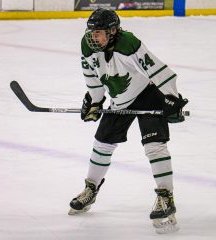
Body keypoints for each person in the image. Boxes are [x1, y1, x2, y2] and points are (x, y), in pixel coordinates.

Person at [68, 8, 188, 233]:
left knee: (154, 145)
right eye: (91, 33)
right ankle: (91, 189)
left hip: (148, 94)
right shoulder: (87, 47)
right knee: (102, 143)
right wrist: (94, 102)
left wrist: (172, 98)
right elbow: (92, 78)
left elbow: (161, 71)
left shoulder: (128, 44)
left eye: (99, 33)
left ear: (113, 32)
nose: (93, 38)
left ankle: (166, 197)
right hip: (120, 99)